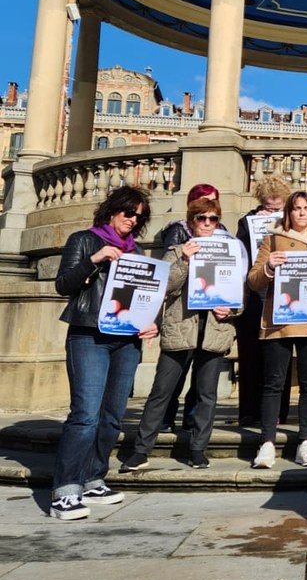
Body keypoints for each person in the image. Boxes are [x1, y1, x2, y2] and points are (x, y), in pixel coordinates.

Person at [49, 187, 158, 520]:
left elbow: (142, 297)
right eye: (129, 212)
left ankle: (94, 478)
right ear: (112, 210)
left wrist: (149, 322)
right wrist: (93, 260)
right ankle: (65, 490)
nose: (133, 219)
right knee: (85, 414)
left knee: (112, 415)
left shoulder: (136, 251)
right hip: (89, 336)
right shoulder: (84, 240)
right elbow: (63, 285)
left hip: (126, 341)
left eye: (139, 216)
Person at [121, 197, 240, 471]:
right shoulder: (176, 251)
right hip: (180, 329)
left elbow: (239, 295)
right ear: (191, 222)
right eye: (201, 218)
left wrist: (231, 309)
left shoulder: (229, 252)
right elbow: (164, 287)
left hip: (214, 330)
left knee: (206, 395)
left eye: (212, 219)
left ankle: (198, 449)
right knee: (161, 392)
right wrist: (186, 260)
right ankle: (141, 450)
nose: (207, 223)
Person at [246, 190, 307, 469]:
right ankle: (267, 442)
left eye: (306, 208)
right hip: (280, 322)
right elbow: (253, 280)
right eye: (296, 208)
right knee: (274, 383)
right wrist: (268, 267)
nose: (301, 213)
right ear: (288, 212)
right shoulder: (272, 240)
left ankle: (305, 441)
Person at [156, 182, 228, 432]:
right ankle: (165, 420)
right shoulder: (178, 232)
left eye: (214, 204)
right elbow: (168, 277)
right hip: (185, 313)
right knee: (174, 375)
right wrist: (185, 259)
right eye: (203, 204)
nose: (207, 220)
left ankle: (191, 421)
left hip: (211, 317)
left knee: (202, 381)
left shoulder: (223, 233)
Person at [234, 176, 290, 426]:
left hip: (282, 293)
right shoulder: (247, 222)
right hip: (255, 293)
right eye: (269, 207)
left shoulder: (291, 222)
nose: (274, 210)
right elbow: (241, 257)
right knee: (249, 354)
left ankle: (279, 411)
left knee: (279, 356)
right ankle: (248, 411)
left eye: (279, 207)